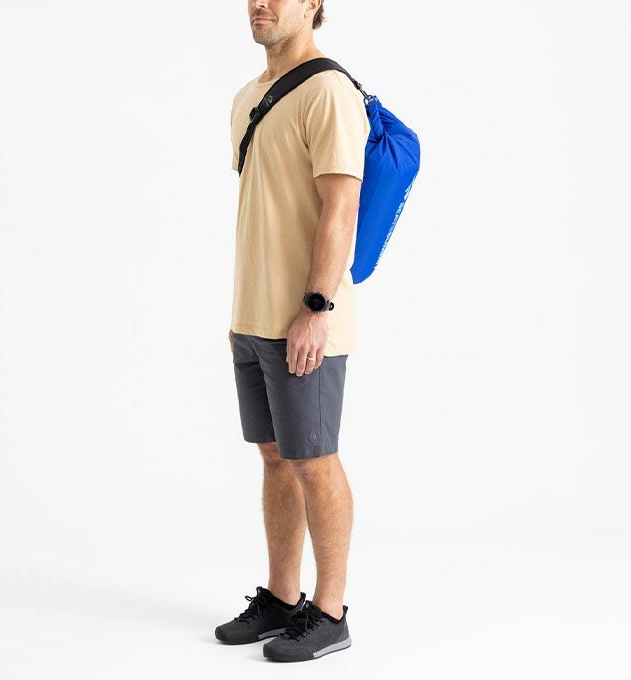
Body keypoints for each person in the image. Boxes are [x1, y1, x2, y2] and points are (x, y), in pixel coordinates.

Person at [215, 0, 370, 662]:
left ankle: (330, 613)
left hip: (307, 321)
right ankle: (282, 598)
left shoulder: (328, 90)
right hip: (254, 318)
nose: (262, 3)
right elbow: (266, 207)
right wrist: (243, 313)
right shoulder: (248, 96)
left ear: (313, 5)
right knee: (275, 456)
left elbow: (342, 205)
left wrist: (315, 306)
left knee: (314, 458)